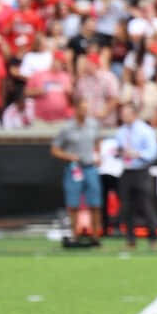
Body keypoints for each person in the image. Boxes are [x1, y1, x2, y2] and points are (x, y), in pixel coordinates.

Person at [51, 97, 103, 241]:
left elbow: (98, 141)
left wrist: (98, 155)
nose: (85, 112)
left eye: (87, 109)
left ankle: (95, 237)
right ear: (76, 109)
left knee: (95, 203)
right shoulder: (67, 128)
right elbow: (55, 149)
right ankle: (75, 235)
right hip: (74, 169)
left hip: (90, 167)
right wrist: (69, 156)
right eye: (82, 109)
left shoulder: (93, 125)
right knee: (73, 204)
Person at [115, 101, 157, 248]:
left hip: (141, 170)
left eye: (126, 114)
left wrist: (138, 154)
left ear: (134, 114)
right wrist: (118, 153)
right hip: (126, 171)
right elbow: (117, 150)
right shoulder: (120, 132)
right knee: (126, 207)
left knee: (145, 205)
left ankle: (153, 238)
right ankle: (130, 239)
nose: (123, 116)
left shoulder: (145, 130)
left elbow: (153, 152)